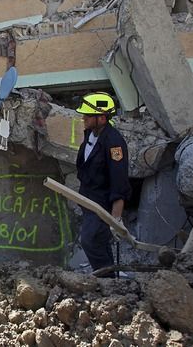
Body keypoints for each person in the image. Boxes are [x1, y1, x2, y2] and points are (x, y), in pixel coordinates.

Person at [75, 92, 131, 276]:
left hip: (102, 204)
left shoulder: (114, 143)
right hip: (88, 200)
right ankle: (109, 276)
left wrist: (115, 218)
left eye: (88, 115)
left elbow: (119, 180)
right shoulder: (90, 137)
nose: (83, 118)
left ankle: (106, 278)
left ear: (102, 117)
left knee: (89, 240)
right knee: (97, 241)